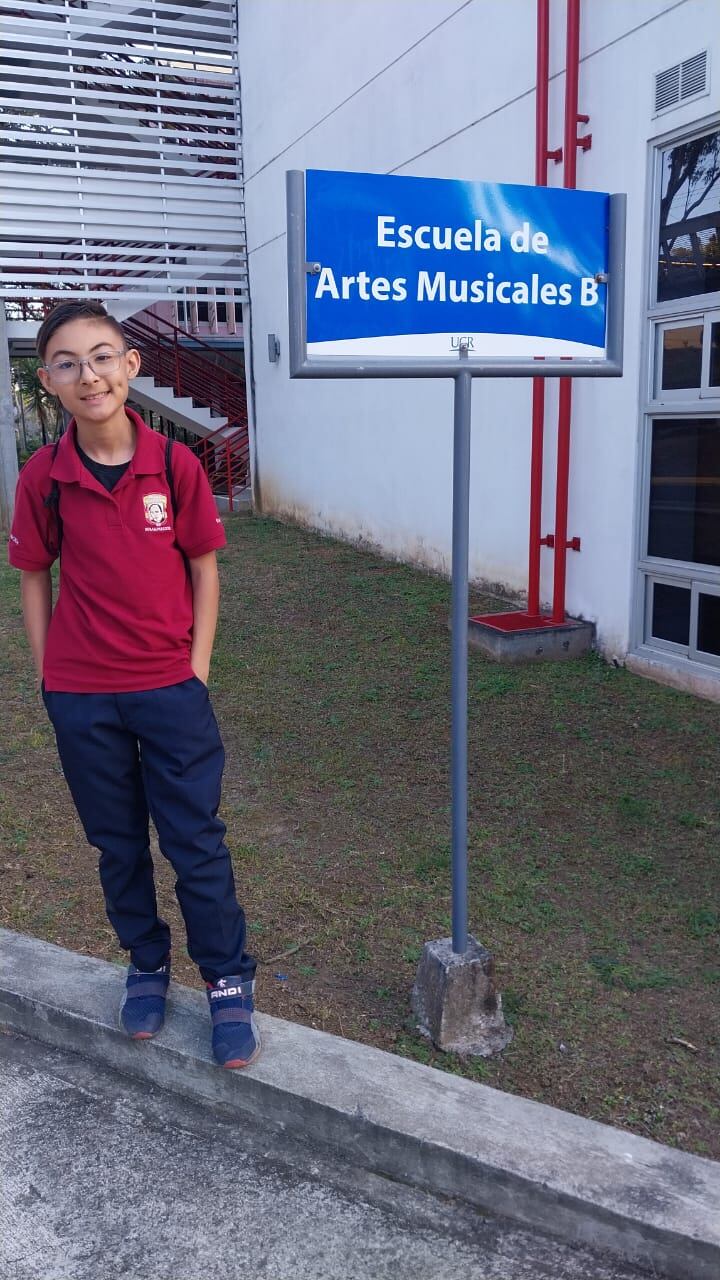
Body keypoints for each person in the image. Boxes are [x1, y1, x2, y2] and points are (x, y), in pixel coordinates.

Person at [7, 300, 260, 1069]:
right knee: (117, 844)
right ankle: (147, 964)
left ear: (131, 365)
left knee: (195, 842)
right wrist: (51, 675)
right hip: (84, 698)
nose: (90, 374)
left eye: (103, 355)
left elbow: (203, 569)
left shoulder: (175, 465)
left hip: (170, 690)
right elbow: (32, 578)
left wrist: (197, 667)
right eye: (68, 362)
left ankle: (226, 983)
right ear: (48, 380)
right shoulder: (44, 476)